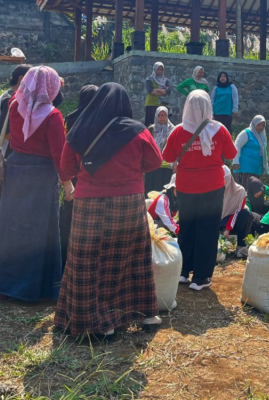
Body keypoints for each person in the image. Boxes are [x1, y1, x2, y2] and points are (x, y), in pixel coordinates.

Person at [55, 82, 163, 340]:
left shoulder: (81, 129)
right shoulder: (137, 130)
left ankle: (99, 322)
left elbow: (66, 168)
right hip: (128, 201)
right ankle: (144, 313)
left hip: (89, 202)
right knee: (131, 257)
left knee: (88, 261)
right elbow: (156, 161)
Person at [0, 66, 74, 302]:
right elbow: (59, 154)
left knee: (11, 227)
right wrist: (68, 184)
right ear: (51, 87)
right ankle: (35, 289)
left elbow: (8, 136)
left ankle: (4, 285)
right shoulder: (52, 115)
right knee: (39, 231)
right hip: (41, 174)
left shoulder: (16, 105)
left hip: (16, 169)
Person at [163, 90, 237, 291]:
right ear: (208, 107)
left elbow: (168, 156)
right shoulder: (220, 130)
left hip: (186, 187)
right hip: (212, 187)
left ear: (186, 106)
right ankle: (201, 277)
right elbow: (231, 153)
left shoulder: (178, 131)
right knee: (208, 229)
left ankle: (183, 272)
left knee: (187, 227)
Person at [59, 84, 99, 268]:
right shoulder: (99, 119)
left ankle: (66, 257)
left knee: (70, 215)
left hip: (73, 171)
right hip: (92, 173)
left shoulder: (71, 117)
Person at [0, 65, 31, 162]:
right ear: (21, 79)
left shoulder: (6, 95)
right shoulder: (10, 98)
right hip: (5, 157)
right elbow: (1, 131)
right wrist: (23, 146)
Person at [220, 166, 254, 257]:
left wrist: (227, 229)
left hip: (229, 221)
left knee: (246, 214)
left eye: (225, 179)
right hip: (213, 221)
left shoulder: (239, 192)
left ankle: (241, 247)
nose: (223, 182)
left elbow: (237, 212)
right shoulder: (211, 190)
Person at [233, 115, 269, 189]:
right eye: (258, 125)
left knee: (253, 191)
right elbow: (237, 146)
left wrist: (266, 169)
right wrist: (235, 161)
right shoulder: (247, 133)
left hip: (256, 169)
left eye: (263, 125)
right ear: (254, 124)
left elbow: (264, 154)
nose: (261, 127)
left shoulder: (262, 136)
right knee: (243, 190)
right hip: (244, 168)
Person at [144, 106, 175, 193]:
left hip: (167, 165)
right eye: (160, 115)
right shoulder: (151, 129)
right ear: (156, 116)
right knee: (151, 190)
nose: (162, 118)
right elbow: (146, 146)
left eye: (164, 115)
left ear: (167, 116)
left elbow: (175, 148)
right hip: (153, 164)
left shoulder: (172, 129)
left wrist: (175, 164)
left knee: (165, 190)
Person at [144, 62, 171, 126]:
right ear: (154, 69)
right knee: (150, 123)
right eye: (158, 69)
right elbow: (150, 91)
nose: (160, 71)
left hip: (162, 104)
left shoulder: (165, 80)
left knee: (162, 122)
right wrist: (162, 91)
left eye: (161, 69)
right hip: (151, 104)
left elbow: (168, 92)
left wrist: (156, 89)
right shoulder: (149, 79)